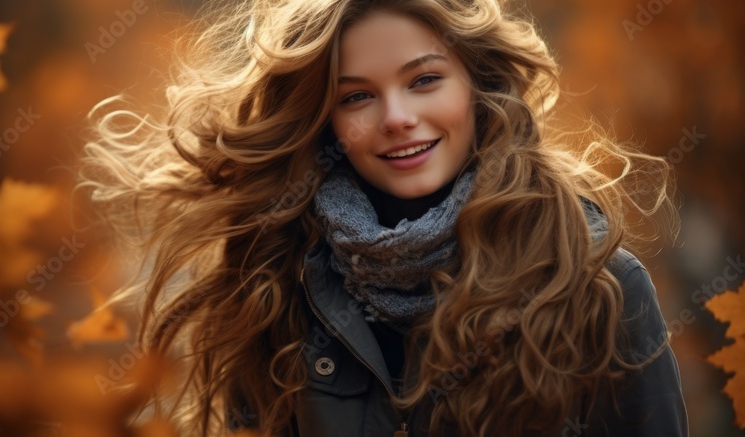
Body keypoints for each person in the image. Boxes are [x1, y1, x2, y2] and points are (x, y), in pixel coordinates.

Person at [81, 0, 688, 435]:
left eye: (424, 80)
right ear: (325, 122)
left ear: (476, 89)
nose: (396, 117)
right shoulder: (275, 283)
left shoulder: (599, 283)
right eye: (357, 96)